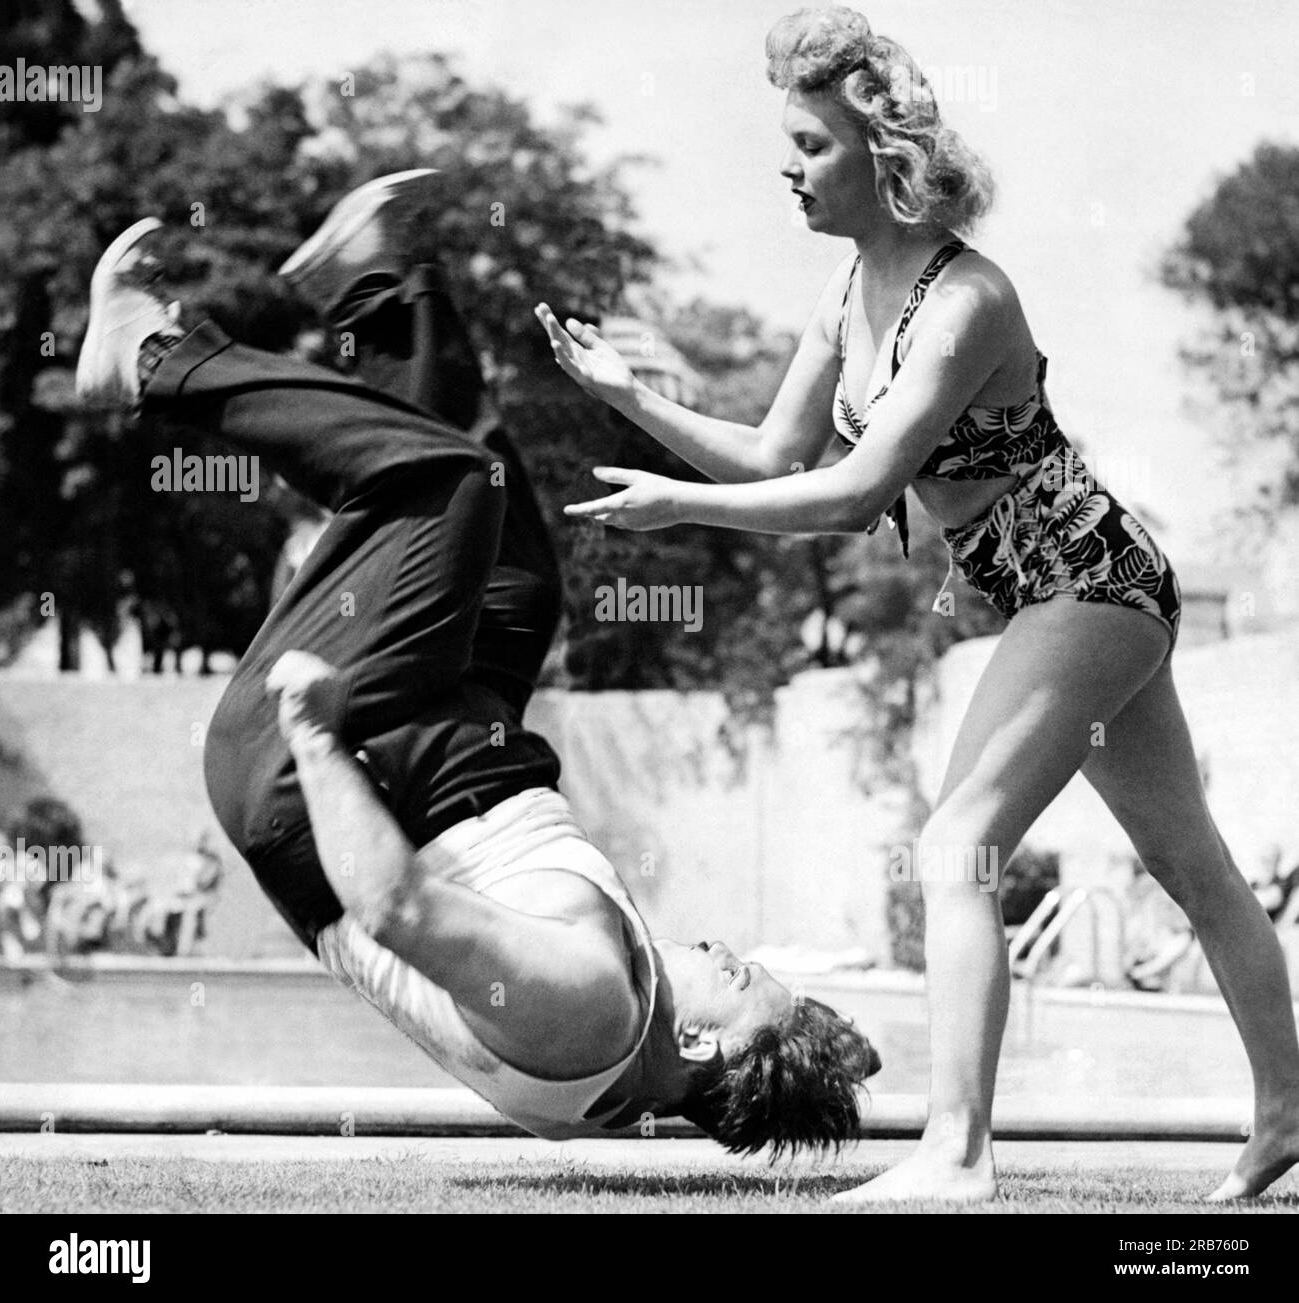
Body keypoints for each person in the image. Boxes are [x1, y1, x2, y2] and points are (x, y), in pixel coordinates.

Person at [535, 6, 1299, 1200]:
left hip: (1089, 580)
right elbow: (776, 455)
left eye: (809, 146)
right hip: (1058, 597)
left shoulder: (965, 301)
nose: (787, 170)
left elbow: (852, 495)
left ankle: (957, 1151)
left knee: (956, 848)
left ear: (880, 152)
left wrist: (676, 507)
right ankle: (1290, 1113)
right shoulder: (846, 292)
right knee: (1186, 860)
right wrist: (629, 397)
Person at [74, 173, 879, 1154]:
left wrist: (316, 737)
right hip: (438, 753)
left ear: (706, 1043)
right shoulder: (612, 1060)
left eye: (737, 975)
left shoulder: (589, 1008)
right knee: (516, 588)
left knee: (448, 486)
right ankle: (376, 286)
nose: (721, 948)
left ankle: (151, 360)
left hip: (325, 773)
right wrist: (839, 1061)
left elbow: (394, 906)